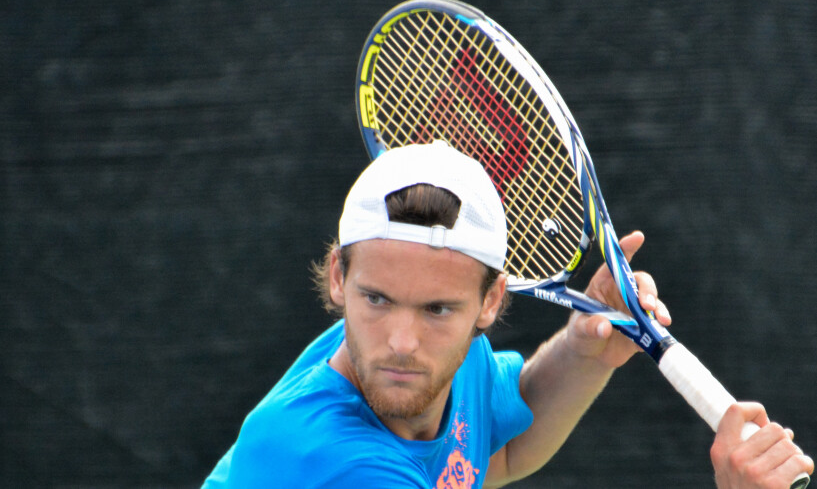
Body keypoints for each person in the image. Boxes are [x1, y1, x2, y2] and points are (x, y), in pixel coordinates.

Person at [203, 142, 813, 488]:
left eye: (439, 309)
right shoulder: (326, 461)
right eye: (378, 299)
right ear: (339, 277)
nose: (402, 341)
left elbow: (502, 454)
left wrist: (585, 352)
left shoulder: (447, 367)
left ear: (490, 303)